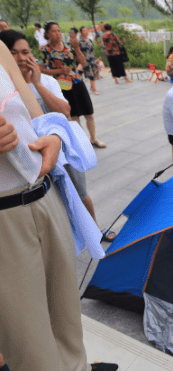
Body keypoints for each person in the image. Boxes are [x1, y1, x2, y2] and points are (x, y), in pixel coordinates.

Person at [0, 38, 118, 371]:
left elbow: (39, 119)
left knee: (67, 324)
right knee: (30, 347)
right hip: (4, 219)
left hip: (45, 195)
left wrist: (53, 138)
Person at [0, 29, 115, 242]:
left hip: (59, 147)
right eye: (13, 53)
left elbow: (65, 111)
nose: (21, 58)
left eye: (25, 52)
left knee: (80, 192)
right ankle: (67, 233)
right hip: (32, 158)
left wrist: (37, 84)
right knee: (53, 196)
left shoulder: (45, 81)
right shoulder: (5, 89)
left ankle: (95, 229)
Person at [39, 21, 107, 149]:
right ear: (47, 33)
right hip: (61, 87)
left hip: (77, 82)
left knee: (89, 113)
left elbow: (83, 62)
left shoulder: (69, 46)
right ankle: (83, 142)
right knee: (74, 116)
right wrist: (58, 71)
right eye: (54, 31)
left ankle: (94, 139)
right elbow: (41, 69)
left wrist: (77, 49)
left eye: (59, 30)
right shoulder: (44, 50)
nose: (58, 33)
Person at [79, 26, 100, 95]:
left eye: (86, 30)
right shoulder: (80, 42)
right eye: (84, 31)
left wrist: (94, 59)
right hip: (85, 60)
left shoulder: (90, 40)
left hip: (92, 60)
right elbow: (78, 52)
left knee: (94, 73)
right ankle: (94, 89)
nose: (86, 32)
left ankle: (92, 87)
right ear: (81, 32)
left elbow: (92, 50)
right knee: (91, 74)